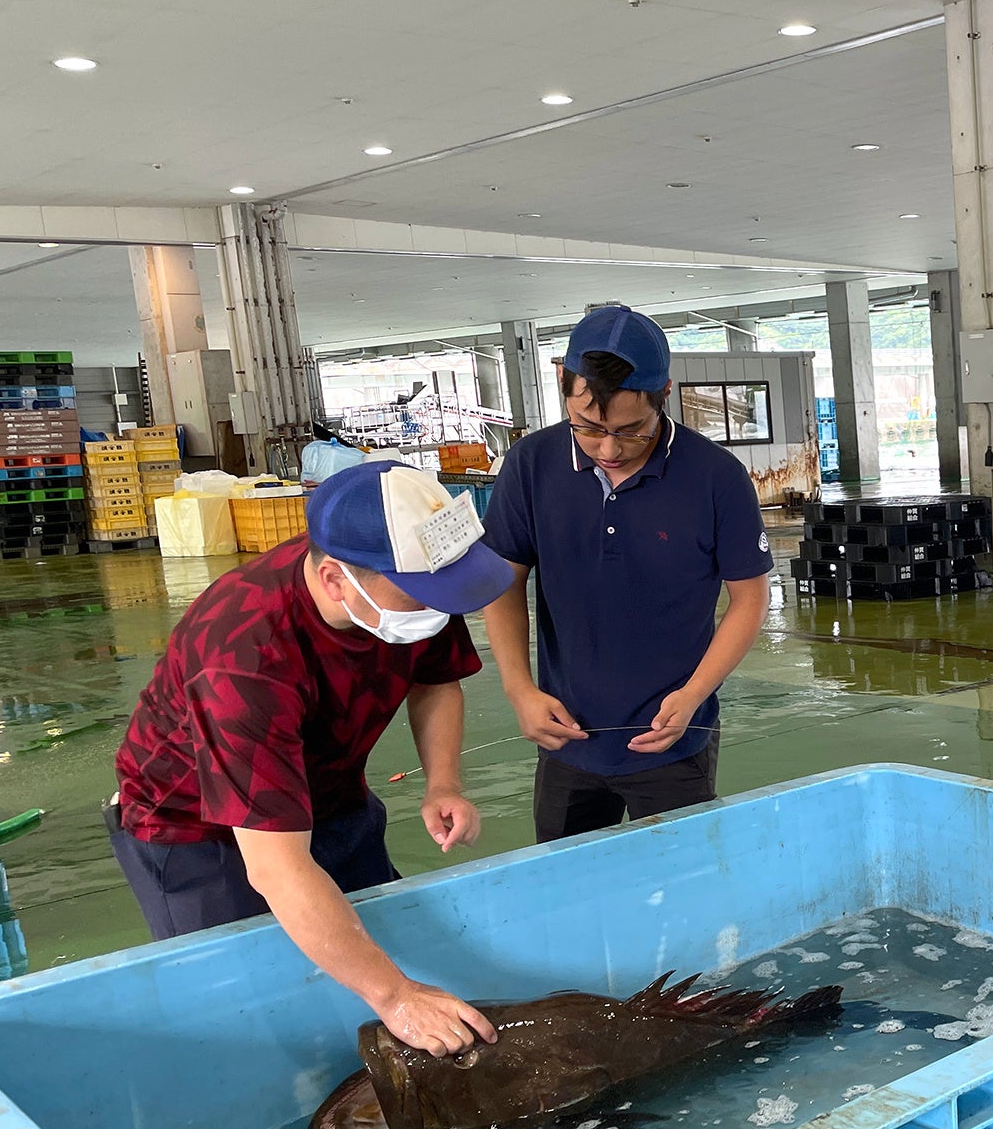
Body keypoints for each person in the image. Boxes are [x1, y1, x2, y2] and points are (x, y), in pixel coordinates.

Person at [109, 461, 515, 1057]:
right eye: (424, 598)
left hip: (326, 790)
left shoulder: (411, 580)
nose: (441, 613)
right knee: (252, 1016)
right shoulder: (242, 657)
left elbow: (435, 680)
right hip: (198, 831)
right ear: (334, 581)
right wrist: (395, 997)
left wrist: (443, 782)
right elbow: (276, 869)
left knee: (383, 948)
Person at [481, 306, 774, 842]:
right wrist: (519, 688)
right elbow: (502, 580)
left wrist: (694, 695)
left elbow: (751, 599)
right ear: (561, 385)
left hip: (673, 740)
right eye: (589, 429)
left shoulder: (716, 477)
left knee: (681, 894)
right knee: (568, 891)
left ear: (664, 394)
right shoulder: (530, 465)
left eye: (631, 431)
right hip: (564, 737)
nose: (609, 450)